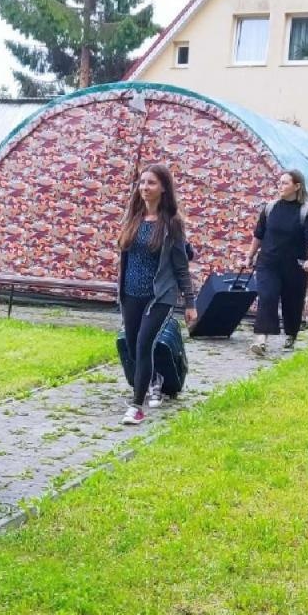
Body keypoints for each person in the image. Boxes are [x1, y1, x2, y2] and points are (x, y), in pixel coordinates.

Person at [116, 164, 195, 426]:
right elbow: (126, 258)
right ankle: (154, 380)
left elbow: (181, 265)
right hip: (130, 294)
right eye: (141, 183)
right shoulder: (133, 219)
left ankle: (136, 407)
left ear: (163, 188)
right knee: (132, 345)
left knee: (143, 344)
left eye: (151, 183)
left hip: (158, 296)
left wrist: (190, 302)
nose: (144, 188)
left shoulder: (171, 223)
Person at [245, 169, 308, 356]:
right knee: (267, 296)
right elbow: (259, 234)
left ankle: (291, 334)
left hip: (294, 267)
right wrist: (249, 256)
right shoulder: (270, 208)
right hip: (268, 263)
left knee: (292, 303)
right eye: (279, 182)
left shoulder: (305, 211)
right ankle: (261, 339)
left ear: (297, 186)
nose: (280, 186)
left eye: (285, 183)